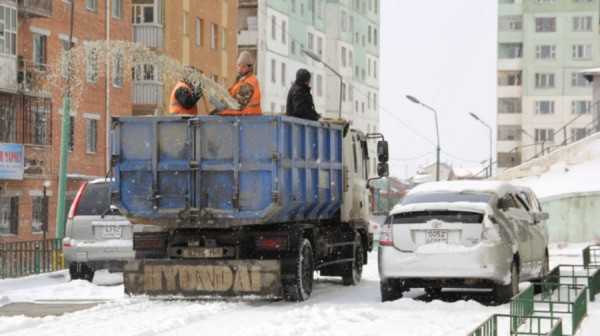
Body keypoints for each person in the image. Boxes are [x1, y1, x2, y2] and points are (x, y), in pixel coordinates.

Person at [216, 51, 262, 116]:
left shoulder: (250, 83)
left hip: (249, 118)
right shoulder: (241, 81)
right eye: (239, 66)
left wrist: (222, 112)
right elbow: (230, 97)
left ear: (250, 68)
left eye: (243, 67)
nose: (240, 69)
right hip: (243, 118)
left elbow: (238, 106)